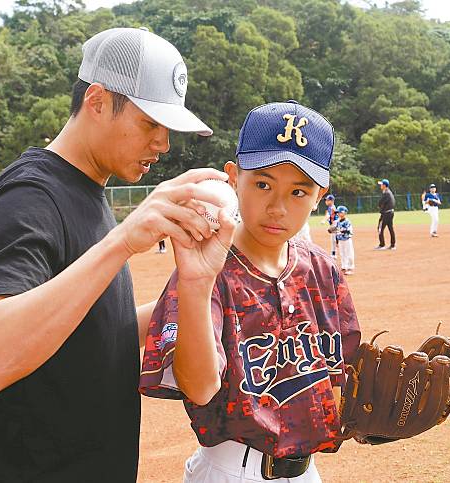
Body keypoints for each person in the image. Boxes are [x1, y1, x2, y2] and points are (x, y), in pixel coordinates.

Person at [0, 27, 229, 482]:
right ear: (97, 101)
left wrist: (203, 295)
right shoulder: (30, 196)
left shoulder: (87, 189)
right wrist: (123, 241)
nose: (163, 144)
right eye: (150, 123)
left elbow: (89, 325)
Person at [140, 101, 361, 482]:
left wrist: (379, 416)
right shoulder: (208, 267)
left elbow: (344, 378)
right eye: (263, 184)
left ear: (321, 194)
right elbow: (200, 387)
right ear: (233, 177)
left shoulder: (324, 271)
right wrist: (195, 284)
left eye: (298, 192)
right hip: (231, 470)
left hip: (307, 472)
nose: (277, 207)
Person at [375, 178, 396, 250]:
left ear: (384, 185)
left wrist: (380, 208)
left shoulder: (386, 193)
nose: (380, 186)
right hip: (390, 212)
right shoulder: (389, 192)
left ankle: (382, 245)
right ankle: (393, 245)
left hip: (386, 214)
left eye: (381, 184)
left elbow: (380, 203)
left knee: (380, 228)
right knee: (390, 228)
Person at [334, 205, 355, 275]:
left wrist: (340, 230)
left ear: (345, 213)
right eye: (338, 212)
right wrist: (337, 241)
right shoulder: (337, 222)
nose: (339, 214)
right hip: (340, 240)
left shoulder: (347, 222)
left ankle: (350, 267)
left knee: (349, 253)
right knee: (342, 253)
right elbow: (336, 232)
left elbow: (349, 231)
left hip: (347, 240)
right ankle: (344, 266)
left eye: (340, 212)